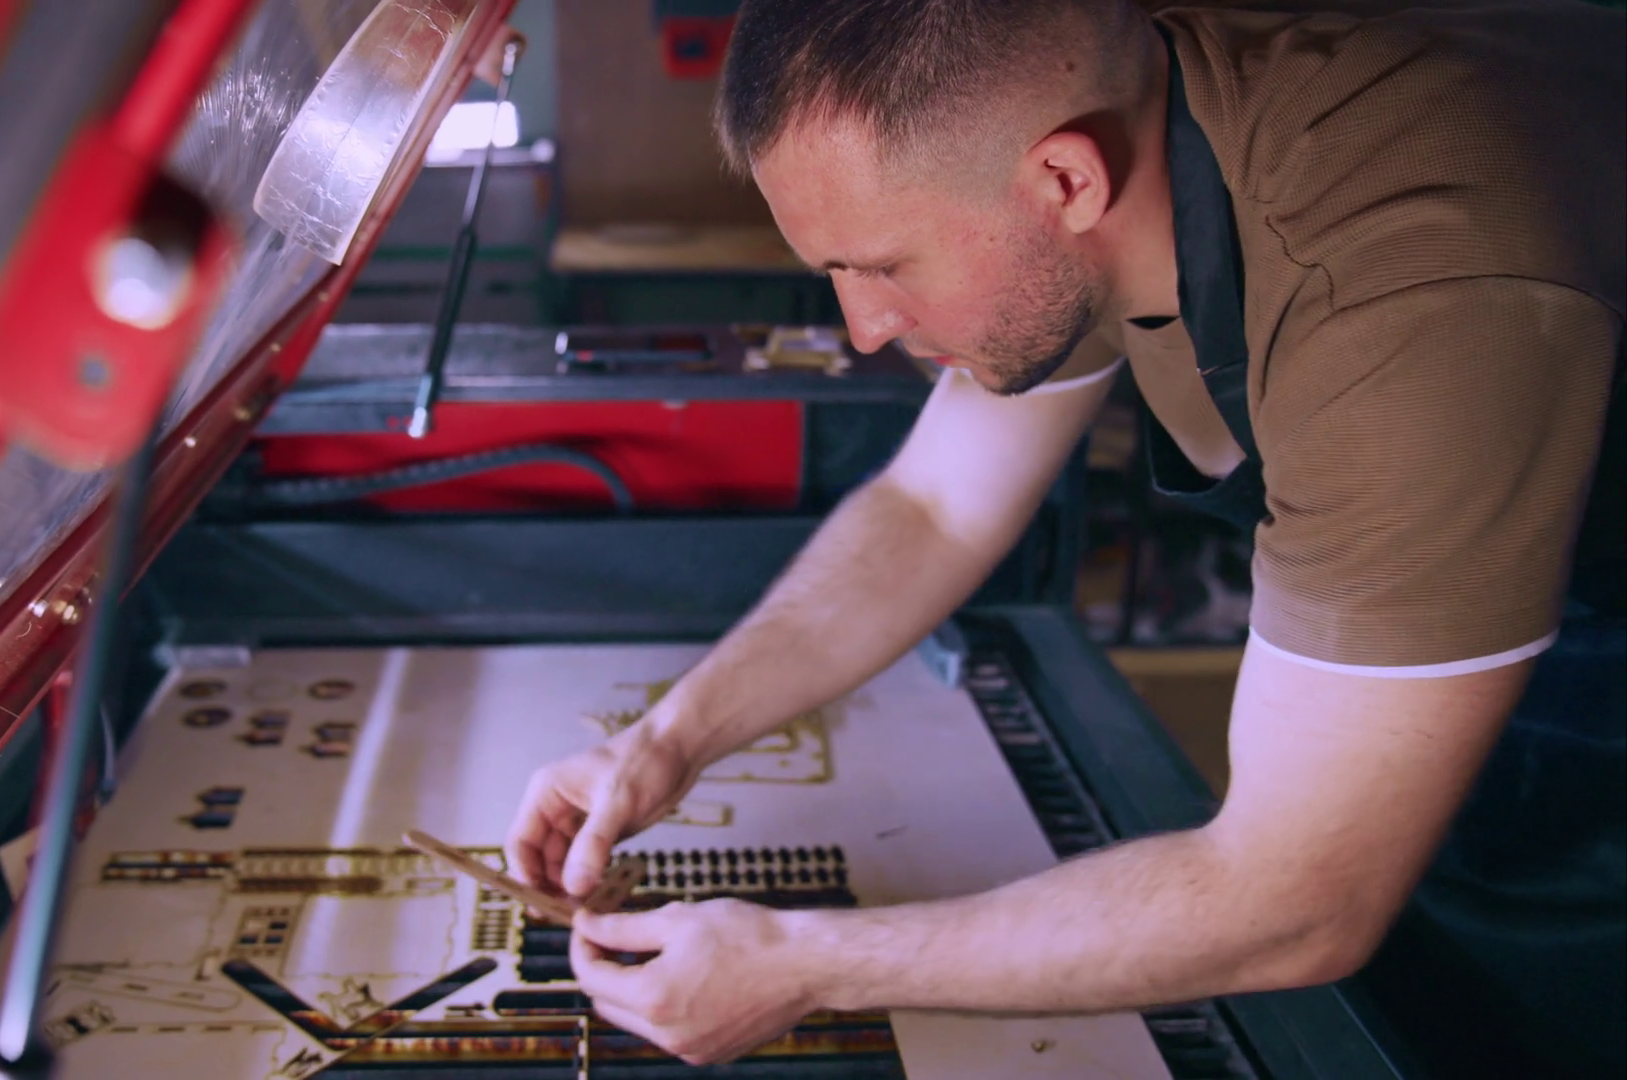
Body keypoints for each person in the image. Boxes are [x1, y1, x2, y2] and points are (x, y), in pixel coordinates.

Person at [504, 0, 1626, 1075]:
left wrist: (811, 965)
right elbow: (932, 509)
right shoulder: (1091, 127)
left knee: (1513, 973)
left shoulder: (1409, 305)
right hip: (1490, 487)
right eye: (835, 271)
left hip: (1584, 570)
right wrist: (667, 741)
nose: (866, 327)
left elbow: (1299, 901)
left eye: (885, 265)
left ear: (1066, 181)